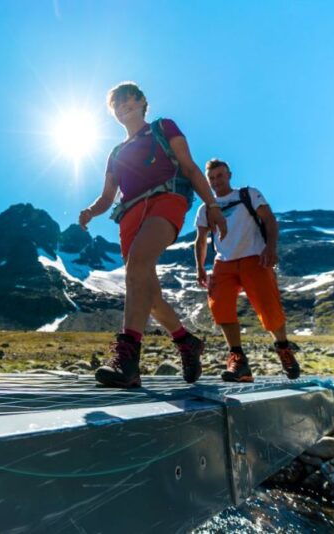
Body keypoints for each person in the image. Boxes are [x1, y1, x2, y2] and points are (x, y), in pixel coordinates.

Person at [79, 82, 227, 388]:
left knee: (137, 265)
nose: (123, 106)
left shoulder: (163, 127)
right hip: (129, 215)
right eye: (116, 104)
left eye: (128, 99)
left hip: (167, 199)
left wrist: (212, 205)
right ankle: (186, 341)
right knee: (149, 293)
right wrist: (91, 211)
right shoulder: (115, 153)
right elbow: (107, 196)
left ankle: (127, 362)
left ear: (142, 102)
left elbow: (189, 167)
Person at [194, 158, 300, 382]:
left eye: (220, 175)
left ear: (229, 175)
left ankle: (283, 349)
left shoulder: (248, 195)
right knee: (220, 307)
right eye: (211, 178)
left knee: (268, 307)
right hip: (223, 263)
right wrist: (200, 267)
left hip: (254, 258)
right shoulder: (206, 208)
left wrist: (270, 247)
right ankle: (238, 360)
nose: (216, 181)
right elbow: (201, 240)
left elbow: (269, 220)